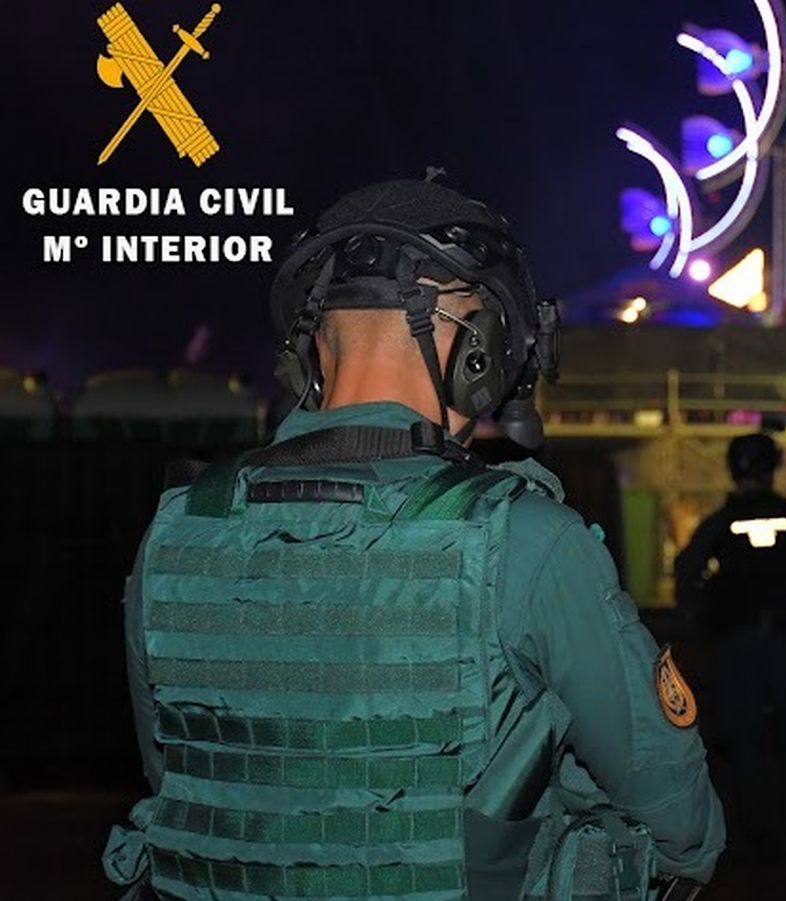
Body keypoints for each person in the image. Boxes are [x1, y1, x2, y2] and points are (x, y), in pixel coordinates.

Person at [103, 179, 724, 899]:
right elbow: (682, 825)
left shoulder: (179, 529)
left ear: (309, 352)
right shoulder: (525, 541)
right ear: (483, 354)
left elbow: (181, 776)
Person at [674, 432, 786, 868]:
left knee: (743, 744)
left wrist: (702, 606)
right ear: (772, 468)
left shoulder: (721, 522)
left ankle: (754, 837)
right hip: (785, 643)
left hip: (736, 647)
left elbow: (686, 569)